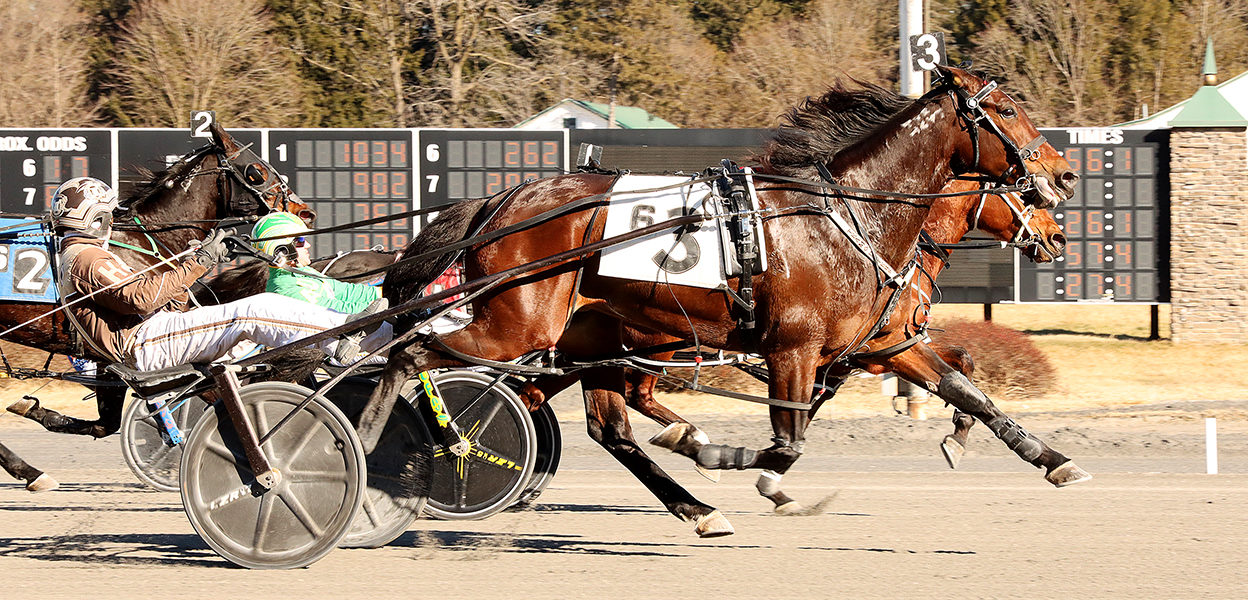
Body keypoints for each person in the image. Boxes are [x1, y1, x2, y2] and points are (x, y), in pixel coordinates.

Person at [6, 177, 387, 426]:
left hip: (150, 335)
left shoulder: (78, 255)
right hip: (146, 342)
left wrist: (190, 259)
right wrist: (200, 262)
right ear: (96, 220)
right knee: (255, 309)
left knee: (256, 317)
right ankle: (342, 340)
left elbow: (141, 291)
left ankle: (355, 340)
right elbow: (141, 298)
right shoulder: (87, 258)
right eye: (108, 216)